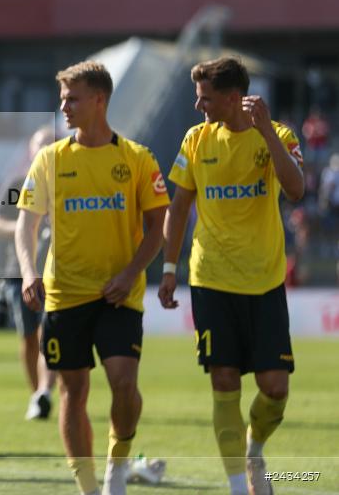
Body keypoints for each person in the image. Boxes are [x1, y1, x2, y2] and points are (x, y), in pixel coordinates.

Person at [16, 61, 169, 495]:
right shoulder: (50, 159)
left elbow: (159, 226)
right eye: (62, 98)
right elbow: (26, 226)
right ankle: (88, 488)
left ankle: (117, 469)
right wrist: (29, 272)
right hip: (64, 295)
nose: (63, 106)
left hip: (120, 295)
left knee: (124, 384)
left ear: (99, 100)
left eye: (72, 98)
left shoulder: (137, 159)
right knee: (73, 392)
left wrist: (130, 273)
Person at [158, 57, 305, 495]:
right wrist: (169, 269)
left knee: (275, 389)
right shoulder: (196, 139)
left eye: (205, 97)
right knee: (223, 380)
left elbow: (296, 190)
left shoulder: (277, 135)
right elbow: (179, 207)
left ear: (232, 97)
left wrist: (265, 134)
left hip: (263, 281)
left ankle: (254, 447)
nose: (198, 105)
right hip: (211, 278)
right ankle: (240, 486)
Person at [0, 127, 58, 420]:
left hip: (56, 272)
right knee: (29, 337)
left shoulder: (65, 183)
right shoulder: (18, 183)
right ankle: (37, 394)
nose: (44, 151)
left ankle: (45, 391)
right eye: (39, 146)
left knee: (50, 334)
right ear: (31, 152)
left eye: (50, 146)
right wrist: (27, 229)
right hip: (19, 272)